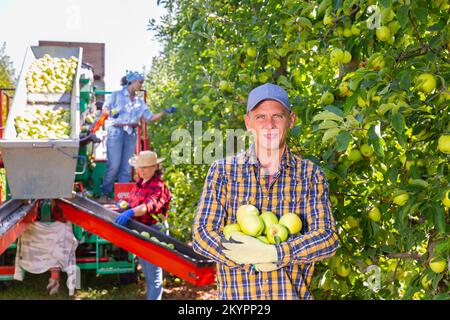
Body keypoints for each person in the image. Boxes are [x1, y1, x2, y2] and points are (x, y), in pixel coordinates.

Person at [192, 83, 339, 300]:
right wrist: (246, 256)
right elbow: (202, 235)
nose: (269, 124)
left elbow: (327, 238)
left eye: (277, 116)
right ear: (248, 122)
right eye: (260, 117)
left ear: (291, 120)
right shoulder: (223, 172)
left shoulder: (310, 175)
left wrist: (276, 253)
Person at [98, 71, 176, 203]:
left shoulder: (139, 102)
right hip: (116, 132)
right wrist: (111, 113)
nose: (141, 85)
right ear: (132, 82)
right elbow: (105, 109)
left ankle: (121, 198)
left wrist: (164, 112)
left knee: (127, 168)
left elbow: (150, 117)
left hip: (130, 134)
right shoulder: (116, 95)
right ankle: (104, 194)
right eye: (140, 82)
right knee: (114, 165)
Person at [113, 150, 172, 300]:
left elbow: (147, 207)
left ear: (155, 167)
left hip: (154, 232)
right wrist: (125, 206)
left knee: (154, 276)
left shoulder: (159, 187)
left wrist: (130, 213)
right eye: (139, 167)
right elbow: (135, 204)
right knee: (147, 271)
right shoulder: (140, 183)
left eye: (145, 168)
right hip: (141, 230)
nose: (141, 171)